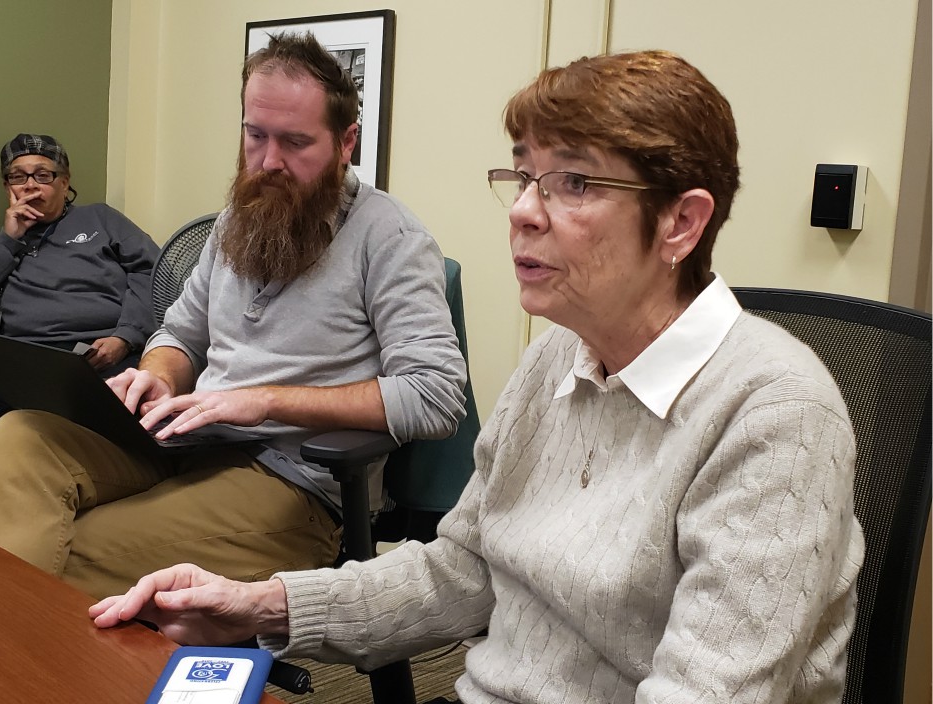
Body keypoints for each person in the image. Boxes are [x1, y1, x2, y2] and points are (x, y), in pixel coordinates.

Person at [92, 50, 866, 704]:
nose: (524, 211)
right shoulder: (555, 359)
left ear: (681, 224)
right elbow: (464, 571)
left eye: (575, 184)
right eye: (525, 176)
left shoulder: (776, 414)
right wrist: (258, 606)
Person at [0, 33, 467, 601]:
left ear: (347, 141)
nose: (269, 161)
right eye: (255, 135)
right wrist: (158, 372)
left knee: (73, 545)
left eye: (296, 142)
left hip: (290, 483)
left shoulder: (389, 237)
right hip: (189, 443)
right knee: (21, 436)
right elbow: (179, 333)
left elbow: (435, 396)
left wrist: (266, 399)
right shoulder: (238, 219)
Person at [0, 133, 159, 518]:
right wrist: (8, 241)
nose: (31, 186)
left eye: (43, 175)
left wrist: (126, 336)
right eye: (18, 177)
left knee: (132, 410)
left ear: (65, 182)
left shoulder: (101, 219)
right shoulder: (0, 245)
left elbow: (154, 272)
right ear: (7, 187)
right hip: (22, 362)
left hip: (99, 359)